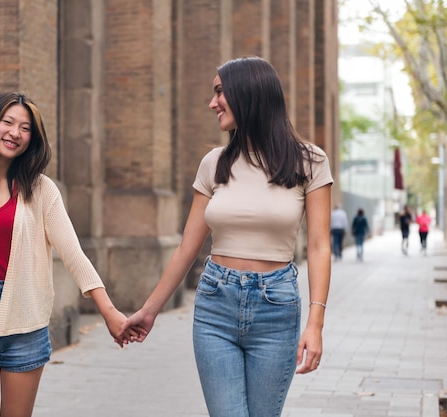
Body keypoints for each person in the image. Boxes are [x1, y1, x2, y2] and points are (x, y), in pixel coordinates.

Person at [119, 57, 333, 417]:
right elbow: (188, 247)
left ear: (248, 94)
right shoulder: (213, 163)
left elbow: (319, 246)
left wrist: (316, 324)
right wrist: (149, 310)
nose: (211, 103)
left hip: (276, 307)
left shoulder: (308, 161)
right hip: (215, 304)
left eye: (220, 92)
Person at [0, 92, 136, 417]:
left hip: (26, 319)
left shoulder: (41, 190)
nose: (15, 132)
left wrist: (109, 311)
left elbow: (73, 254)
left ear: (32, 138)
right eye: (8, 122)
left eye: (25, 127)